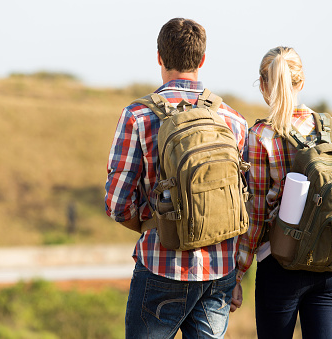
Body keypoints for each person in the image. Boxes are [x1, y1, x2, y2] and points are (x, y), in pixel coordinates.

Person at [104, 18, 248, 339]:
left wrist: (154, 221)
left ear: (159, 57)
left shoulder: (137, 116)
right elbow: (242, 203)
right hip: (218, 270)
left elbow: (117, 204)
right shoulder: (233, 121)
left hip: (161, 265)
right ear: (202, 60)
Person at [235, 46, 332, 338]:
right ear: (301, 81)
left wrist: (238, 272)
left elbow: (258, 214)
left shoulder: (261, 135)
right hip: (329, 262)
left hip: (281, 265)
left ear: (263, 85)